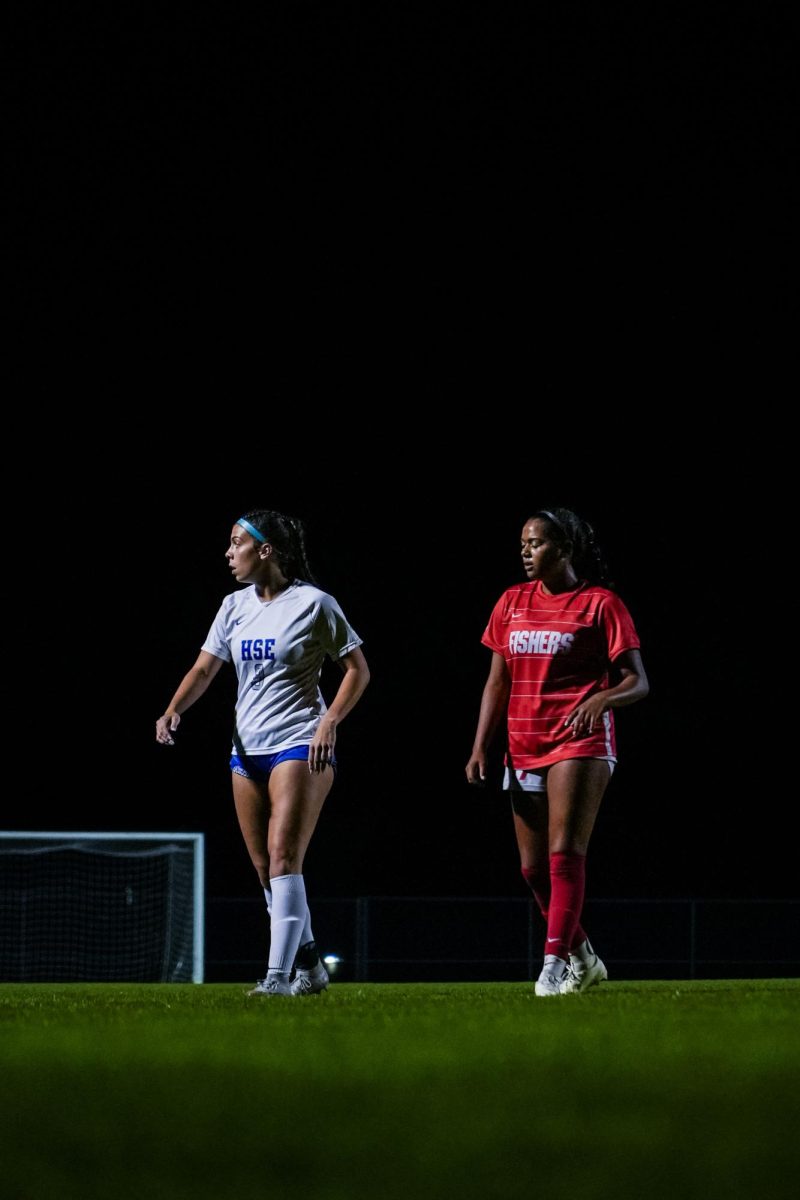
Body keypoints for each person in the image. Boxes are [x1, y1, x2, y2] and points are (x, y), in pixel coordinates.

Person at [156, 509, 370, 997]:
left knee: (283, 856)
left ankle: (277, 978)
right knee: (264, 868)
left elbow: (358, 669)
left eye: (237, 544)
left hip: (298, 742)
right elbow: (205, 670)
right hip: (245, 749)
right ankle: (311, 967)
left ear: (266, 550)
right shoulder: (233, 606)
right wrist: (173, 710)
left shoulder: (315, 603)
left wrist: (329, 720)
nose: (229, 553)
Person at [465, 507, 648, 996]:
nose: (526, 551)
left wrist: (602, 698)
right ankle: (583, 957)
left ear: (565, 549)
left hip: (579, 740)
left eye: (537, 543)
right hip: (523, 742)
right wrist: (481, 743)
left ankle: (551, 966)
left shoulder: (600, 604)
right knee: (531, 869)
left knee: (564, 853)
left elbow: (637, 681)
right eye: (523, 543)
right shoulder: (510, 602)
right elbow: (497, 681)